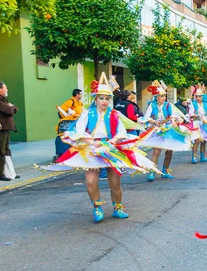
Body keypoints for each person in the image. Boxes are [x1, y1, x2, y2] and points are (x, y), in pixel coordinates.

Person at [39, 74, 160, 222]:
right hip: (91, 149)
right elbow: (78, 131)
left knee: (115, 183)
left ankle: (118, 207)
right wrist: (91, 142)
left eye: (107, 98)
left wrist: (113, 140)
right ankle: (97, 207)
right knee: (90, 181)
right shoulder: (86, 113)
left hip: (110, 148)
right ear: (95, 98)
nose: (104, 101)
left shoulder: (114, 114)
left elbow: (121, 132)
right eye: (101, 98)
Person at [138, 81, 191, 181]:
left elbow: (173, 116)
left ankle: (165, 170)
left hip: (168, 130)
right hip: (157, 130)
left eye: (164, 96)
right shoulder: (152, 105)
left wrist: (174, 121)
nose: (163, 98)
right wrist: (154, 121)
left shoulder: (168, 105)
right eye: (161, 96)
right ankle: (152, 171)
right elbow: (146, 117)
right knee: (156, 150)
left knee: (169, 151)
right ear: (157, 97)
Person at [55, 89, 85, 160]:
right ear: (77, 94)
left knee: (75, 138)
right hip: (67, 124)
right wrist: (71, 114)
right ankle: (62, 155)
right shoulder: (70, 102)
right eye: (80, 94)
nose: (81, 95)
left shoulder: (80, 103)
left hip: (76, 123)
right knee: (64, 137)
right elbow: (61, 110)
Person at [0, 81, 18, 181]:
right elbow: (9, 111)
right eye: (5, 88)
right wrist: (12, 108)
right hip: (2, 128)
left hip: (6, 127)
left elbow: (14, 108)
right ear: (0, 90)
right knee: (1, 151)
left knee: (6, 150)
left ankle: (10, 172)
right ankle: (1, 173)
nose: (7, 89)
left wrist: (12, 108)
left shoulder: (4, 100)